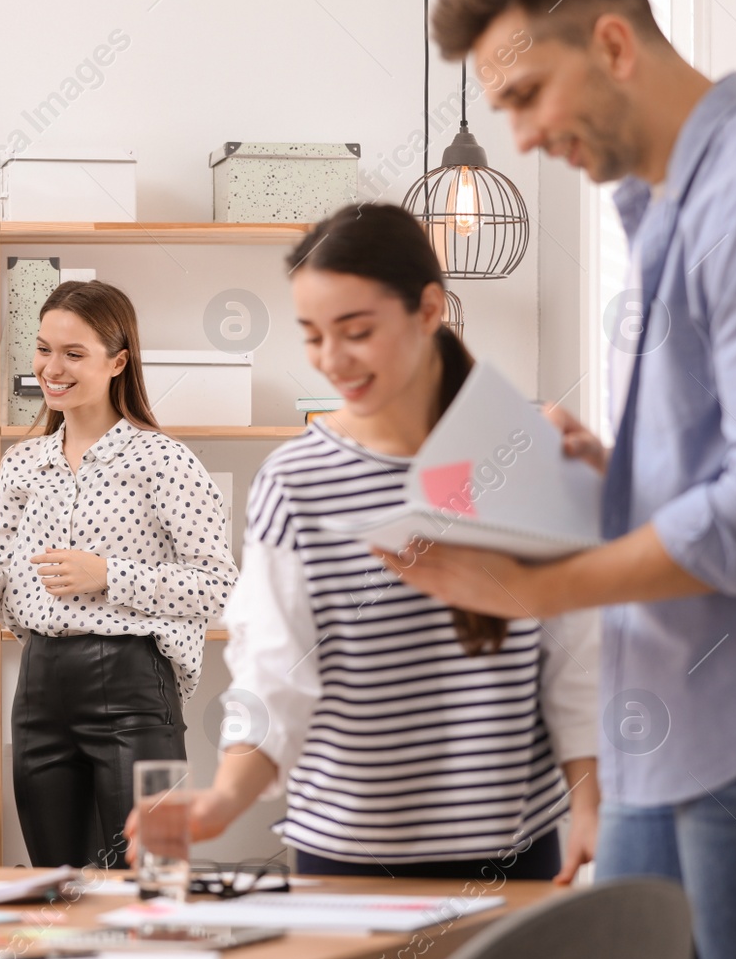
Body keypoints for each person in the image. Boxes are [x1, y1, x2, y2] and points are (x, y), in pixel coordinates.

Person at [385, 0, 736, 959]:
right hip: (672, 728)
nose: (524, 136)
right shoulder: (666, 209)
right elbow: (721, 468)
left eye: (527, 94)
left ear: (614, 43)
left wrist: (539, 589)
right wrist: (597, 475)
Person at [128, 205, 600, 889]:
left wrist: (588, 802)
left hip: (513, 853)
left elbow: (574, 654)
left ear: (428, 309)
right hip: (347, 861)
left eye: (357, 332)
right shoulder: (296, 482)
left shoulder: (517, 451)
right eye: (313, 336)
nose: (331, 359)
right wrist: (224, 798)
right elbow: (274, 675)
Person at [0, 280, 238, 869]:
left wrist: (109, 575)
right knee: (59, 886)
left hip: (132, 686)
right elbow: (12, 602)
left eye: (74, 354)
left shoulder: (163, 460)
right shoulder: (24, 463)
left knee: (149, 880)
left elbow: (219, 585)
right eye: (44, 349)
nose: (53, 367)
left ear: (118, 361)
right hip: (40, 685)